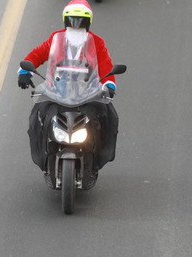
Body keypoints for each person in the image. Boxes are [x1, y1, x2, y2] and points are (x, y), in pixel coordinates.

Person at [17, 0, 120, 180]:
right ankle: (42, 156)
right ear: (65, 21)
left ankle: (97, 158)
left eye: (80, 21)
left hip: (87, 94)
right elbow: (37, 55)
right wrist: (25, 71)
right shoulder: (55, 38)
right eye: (72, 20)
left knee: (110, 117)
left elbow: (105, 65)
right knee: (36, 117)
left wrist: (109, 84)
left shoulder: (97, 42)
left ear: (88, 23)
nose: (76, 24)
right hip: (57, 92)